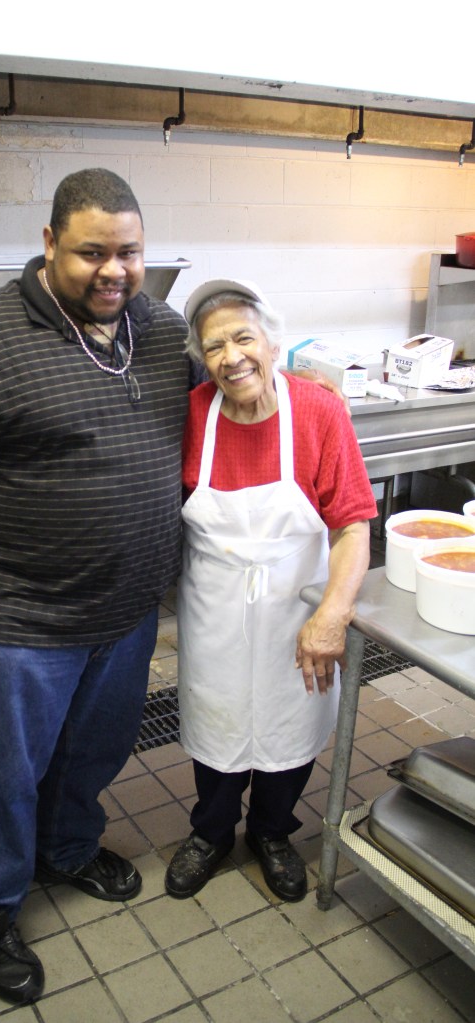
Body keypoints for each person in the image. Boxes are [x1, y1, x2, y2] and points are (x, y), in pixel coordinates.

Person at [0, 168, 193, 1005]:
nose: (114, 271)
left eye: (129, 252)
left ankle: (67, 845)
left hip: (128, 607)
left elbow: (234, 395)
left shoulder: (162, 330)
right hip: (22, 616)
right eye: (92, 252)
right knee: (3, 771)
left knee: (94, 751)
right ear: (50, 241)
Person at [164, 279, 376, 905]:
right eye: (214, 346)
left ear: (273, 341)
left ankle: (273, 832)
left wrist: (333, 614)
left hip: (298, 604)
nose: (232, 357)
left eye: (243, 338)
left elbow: (352, 526)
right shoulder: (193, 411)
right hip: (214, 606)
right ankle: (211, 833)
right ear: (200, 358)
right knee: (215, 719)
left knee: (292, 719)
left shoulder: (318, 410)